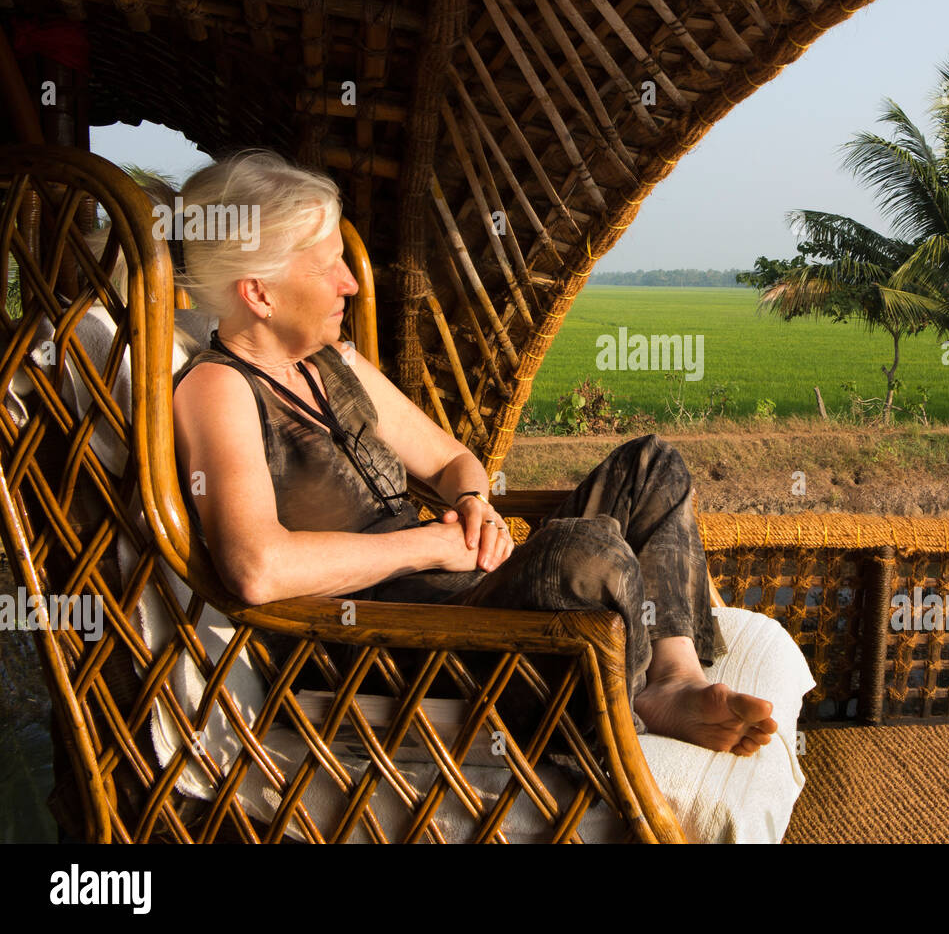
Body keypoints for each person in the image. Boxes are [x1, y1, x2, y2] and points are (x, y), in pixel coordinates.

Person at [170, 150, 776, 756]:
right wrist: (429, 544)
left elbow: (450, 460)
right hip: (383, 646)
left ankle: (670, 680)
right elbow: (256, 568)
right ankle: (629, 697)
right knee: (586, 552)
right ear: (259, 293)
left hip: (456, 601)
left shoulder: (333, 363)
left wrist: (473, 504)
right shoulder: (219, 388)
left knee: (651, 463)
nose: (350, 283)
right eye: (328, 268)